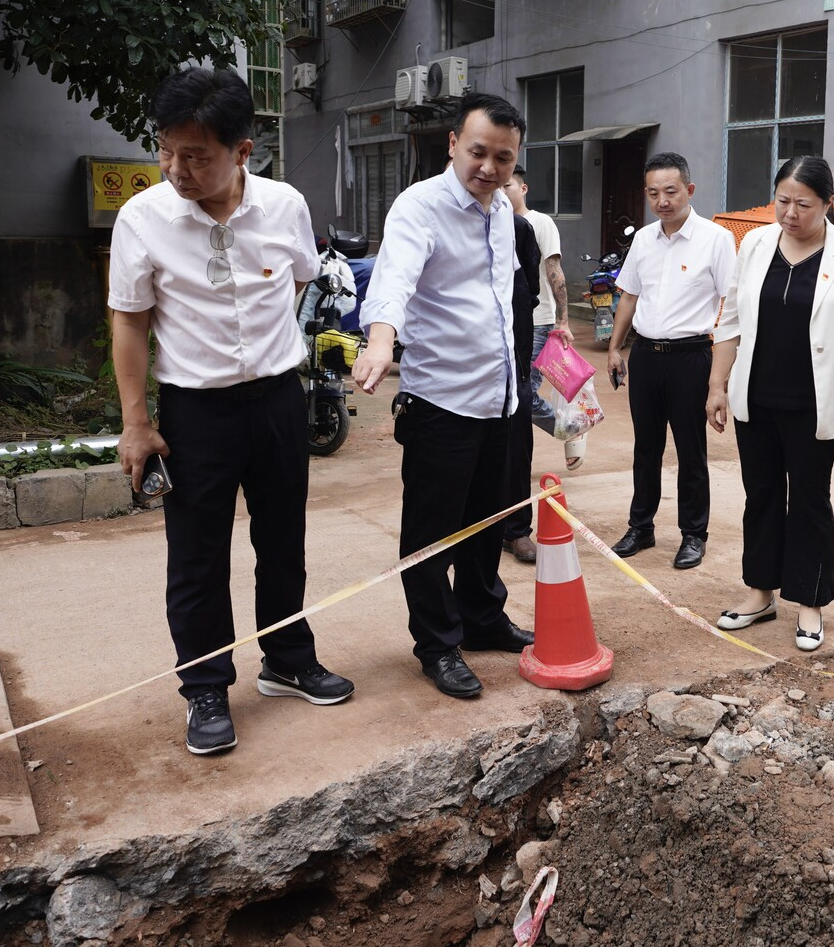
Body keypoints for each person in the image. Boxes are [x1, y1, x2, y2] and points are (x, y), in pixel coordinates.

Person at [109, 66, 351, 757]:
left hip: (278, 399)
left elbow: (302, 277)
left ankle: (288, 658)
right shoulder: (143, 219)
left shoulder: (284, 207)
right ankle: (207, 686)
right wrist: (136, 421)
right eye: (166, 149)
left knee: (283, 540)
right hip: (196, 413)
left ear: (244, 151)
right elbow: (129, 322)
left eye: (196, 155)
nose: (175, 167)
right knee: (197, 556)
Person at [353, 94, 534, 700]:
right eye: (478, 152)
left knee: (489, 521)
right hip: (442, 402)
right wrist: (382, 342)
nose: (488, 167)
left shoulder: (504, 211)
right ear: (453, 143)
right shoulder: (419, 207)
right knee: (432, 532)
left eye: (502, 158)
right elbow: (393, 279)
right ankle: (436, 643)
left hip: (499, 399)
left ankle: (482, 618)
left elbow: (501, 297)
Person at [705, 156, 834, 652]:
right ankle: (760, 592)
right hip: (756, 398)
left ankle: (809, 600)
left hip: (814, 404)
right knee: (759, 495)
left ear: (828, 204)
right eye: (782, 201)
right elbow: (732, 320)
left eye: (803, 204)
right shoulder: (757, 243)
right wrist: (718, 385)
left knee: (809, 499)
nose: (790, 213)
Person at [606, 152, 738, 570]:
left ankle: (693, 535)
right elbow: (629, 295)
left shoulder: (715, 240)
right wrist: (615, 347)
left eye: (670, 191)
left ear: (689, 190)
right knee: (646, 447)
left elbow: (732, 304)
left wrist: (721, 376)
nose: (662, 200)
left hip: (691, 357)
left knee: (690, 449)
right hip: (646, 355)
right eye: (653, 193)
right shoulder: (644, 239)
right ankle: (640, 527)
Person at [501, 166, 576, 563]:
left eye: (508, 181)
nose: (500, 186)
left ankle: (568, 428)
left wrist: (562, 320)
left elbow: (551, 271)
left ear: (523, 186)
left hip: (534, 320)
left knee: (522, 396)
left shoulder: (535, 224)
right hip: (489, 335)